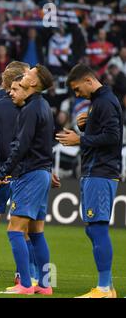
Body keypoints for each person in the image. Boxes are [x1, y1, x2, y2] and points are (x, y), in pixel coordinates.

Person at [56, 64, 122, 298]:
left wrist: (80, 138)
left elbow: (113, 137)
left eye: (76, 89)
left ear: (88, 80)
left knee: (98, 227)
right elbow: (104, 132)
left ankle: (104, 288)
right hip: (95, 171)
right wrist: (89, 125)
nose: (77, 95)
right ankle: (107, 287)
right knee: (93, 230)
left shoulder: (104, 102)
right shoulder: (101, 101)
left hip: (101, 172)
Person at [0, 65, 55, 295]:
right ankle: (45, 285)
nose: (25, 75)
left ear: (35, 83)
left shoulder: (31, 108)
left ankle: (26, 284)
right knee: (36, 232)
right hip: (42, 172)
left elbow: (20, 146)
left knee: (15, 230)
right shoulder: (43, 106)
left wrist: (1, 173)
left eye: (30, 74)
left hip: (30, 174)